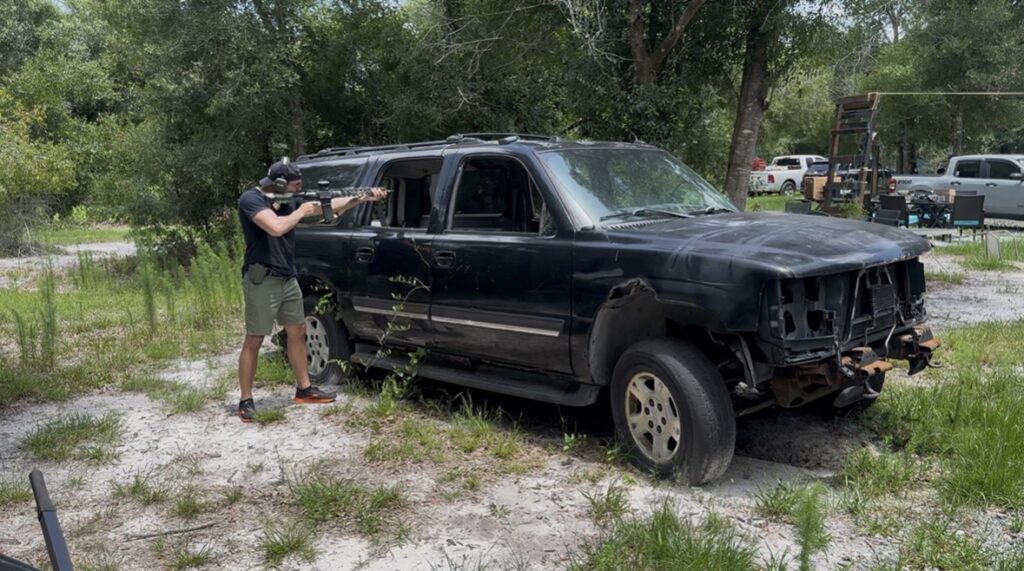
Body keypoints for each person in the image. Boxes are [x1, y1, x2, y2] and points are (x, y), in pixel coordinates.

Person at [236, 159, 386, 422]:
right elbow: (276, 226)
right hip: (262, 278)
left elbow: (323, 206)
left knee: (298, 330)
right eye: (295, 186)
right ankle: (245, 400)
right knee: (255, 339)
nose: (298, 190)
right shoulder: (251, 199)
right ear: (280, 184)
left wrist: (360, 198)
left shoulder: (288, 199)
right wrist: (302, 210)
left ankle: (304, 389)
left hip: (287, 276)